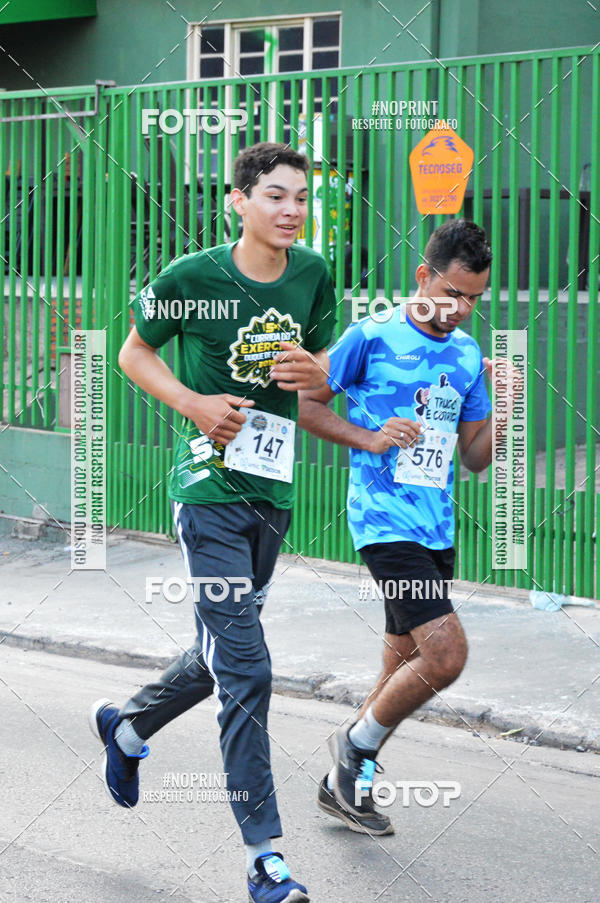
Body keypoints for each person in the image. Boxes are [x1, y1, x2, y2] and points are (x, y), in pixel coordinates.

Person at [89, 142, 336, 903]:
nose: (291, 209)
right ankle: (266, 858)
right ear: (239, 199)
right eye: (274, 195)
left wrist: (319, 375)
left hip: (275, 493)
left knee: (220, 651)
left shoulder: (313, 275)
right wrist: (193, 404)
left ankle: (128, 729)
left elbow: (321, 378)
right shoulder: (191, 276)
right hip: (206, 492)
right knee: (249, 667)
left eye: (300, 196)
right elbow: (133, 354)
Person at [298, 219, 511, 836]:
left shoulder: (468, 354)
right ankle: (354, 749)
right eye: (452, 294)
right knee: (446, 656)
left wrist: (510, 406)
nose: (461, 309)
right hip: (383, 521)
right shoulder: (372, 334)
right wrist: (369, 436)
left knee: (402, 666)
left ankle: (346, 788)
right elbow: (308, 403)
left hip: (436, 527)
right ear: (424, 276)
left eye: (474, 298)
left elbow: (473, 457)